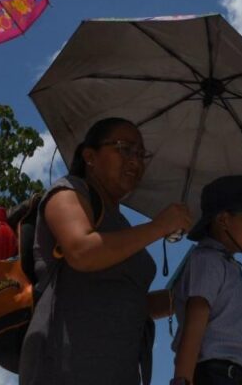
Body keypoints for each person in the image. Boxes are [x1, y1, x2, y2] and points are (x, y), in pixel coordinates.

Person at [20, 117, 193, 385]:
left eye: (141, 153)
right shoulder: (67, 192)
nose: (135, 161)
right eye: (125, 148)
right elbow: (82, 251)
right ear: (90, 156)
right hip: (64, 369)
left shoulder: (122, 225)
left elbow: (132, 303)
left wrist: (183, 299)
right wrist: (158, 227)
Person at [169, 175, 242, 385]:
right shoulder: (207, 260)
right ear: (223, 219)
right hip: (219, 376)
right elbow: (194, 326)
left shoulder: (232, 268)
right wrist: (182, 380)